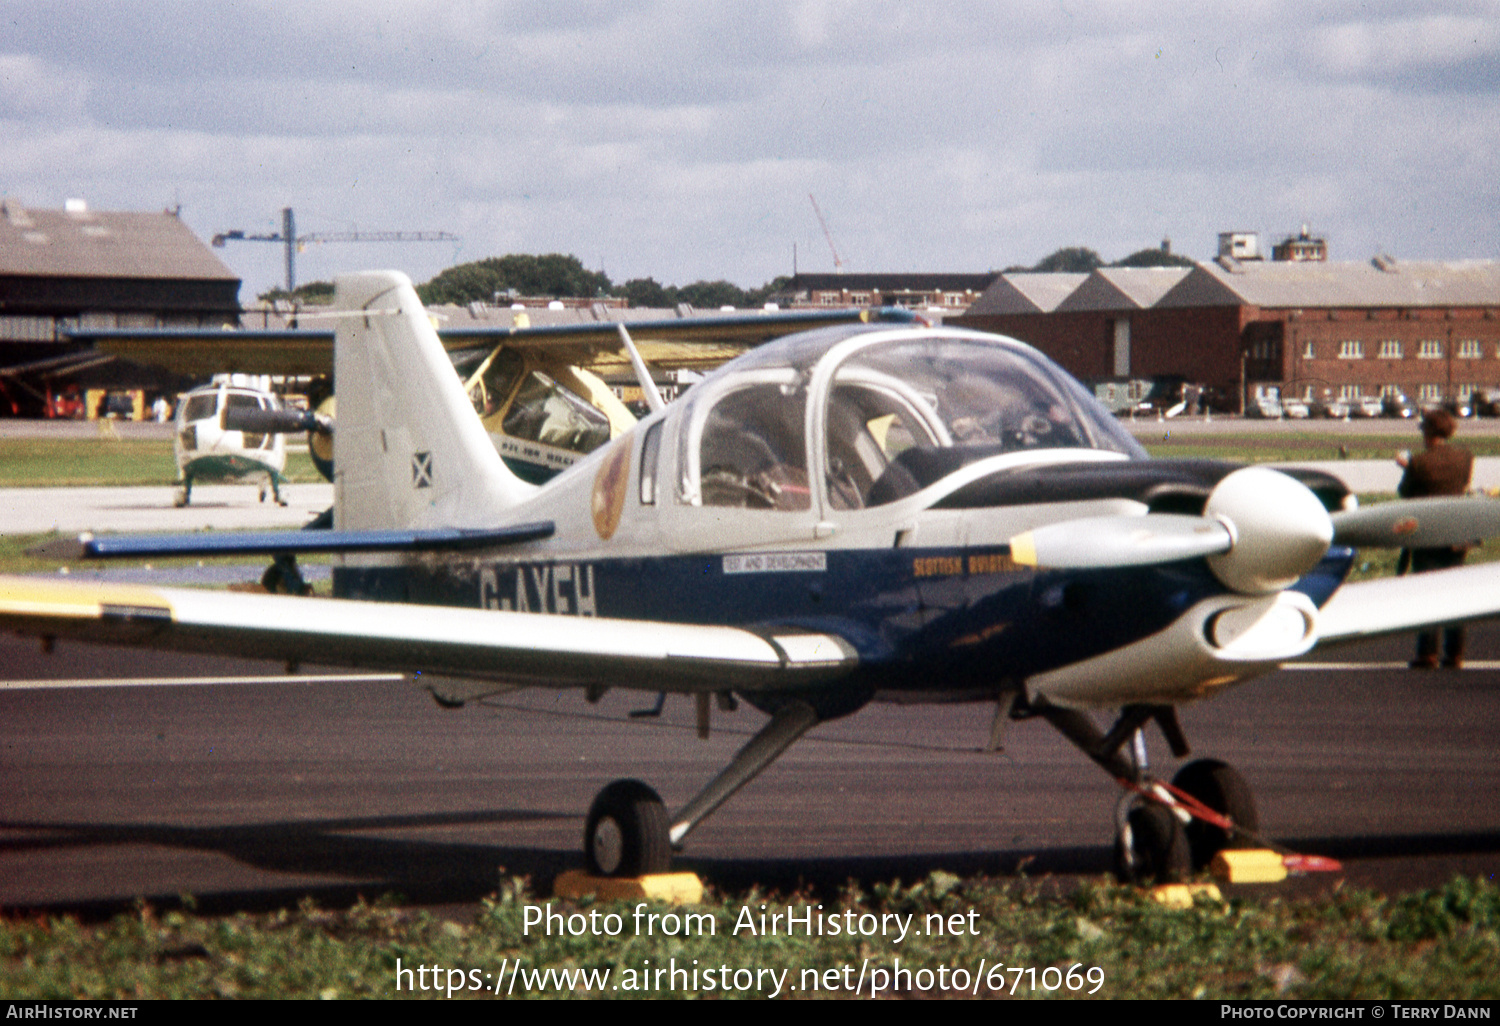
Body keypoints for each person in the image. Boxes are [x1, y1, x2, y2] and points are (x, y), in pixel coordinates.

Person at [1395, 408, 1474, 668]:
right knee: (1456, 594)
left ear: (1428, 432)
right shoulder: (1465, 457)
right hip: (1457, 532)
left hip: (1428, 533)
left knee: (1427, 593)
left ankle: (1427, 653)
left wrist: (1407, 467)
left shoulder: (1419, 461)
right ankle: (1455, 654)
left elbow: (1405, 492)